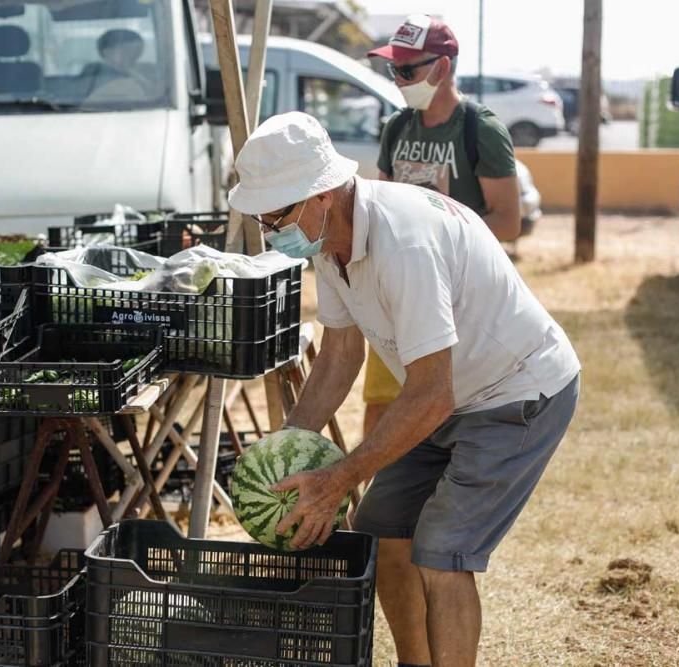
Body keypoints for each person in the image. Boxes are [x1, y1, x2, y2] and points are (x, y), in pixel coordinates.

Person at [228, 112, 580, 667]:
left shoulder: (403, 244)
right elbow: (341, 354)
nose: (272, 230)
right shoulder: (329, 241)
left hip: (517, 392)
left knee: (442, 553)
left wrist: (339, 476)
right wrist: (284, 450)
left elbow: (431, 395)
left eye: (278, 214)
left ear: (322, 193)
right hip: (448, 394)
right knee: (380, 531)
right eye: (264, 219)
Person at [362, 14, 523, 440]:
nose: (397, 79)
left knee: (446, 404)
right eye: (392, 69)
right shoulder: (397, 127)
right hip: (396, 289)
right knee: (381, 400)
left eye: (407, 69)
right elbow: (382, 206)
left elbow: (508, 221)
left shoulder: (480, 130)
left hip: (459, 295)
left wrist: (442, 238)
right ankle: (375, 498)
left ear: (443, 67)